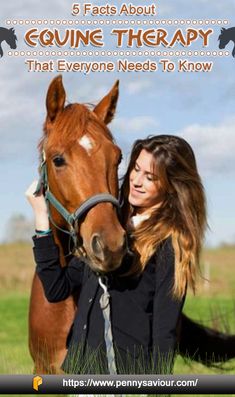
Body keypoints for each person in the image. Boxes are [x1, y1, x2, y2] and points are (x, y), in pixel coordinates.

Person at [26, 134, 207, 374]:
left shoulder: (170, 244)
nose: (137, 181)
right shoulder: (111, 232)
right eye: (136, 169)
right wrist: (41, 219)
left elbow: (165, 331)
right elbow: (56, 288)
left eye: (150, 177)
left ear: (171, 186)